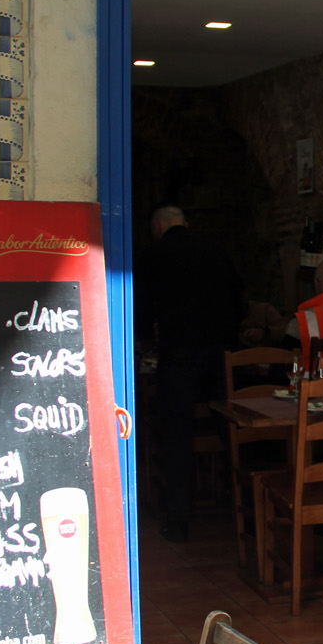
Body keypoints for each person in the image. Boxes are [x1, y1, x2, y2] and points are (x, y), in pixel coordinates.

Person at [137, 205, 245, 542]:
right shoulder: (216, 251)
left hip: (179, 353)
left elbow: (142, 308)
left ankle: (179, 519)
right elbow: (239, 303)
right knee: (231, 428)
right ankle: (245, 509)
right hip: (220, 352)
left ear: (157, 226)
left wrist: (145, 342)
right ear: (185, 223)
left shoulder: (154, 255)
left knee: (176, 435)